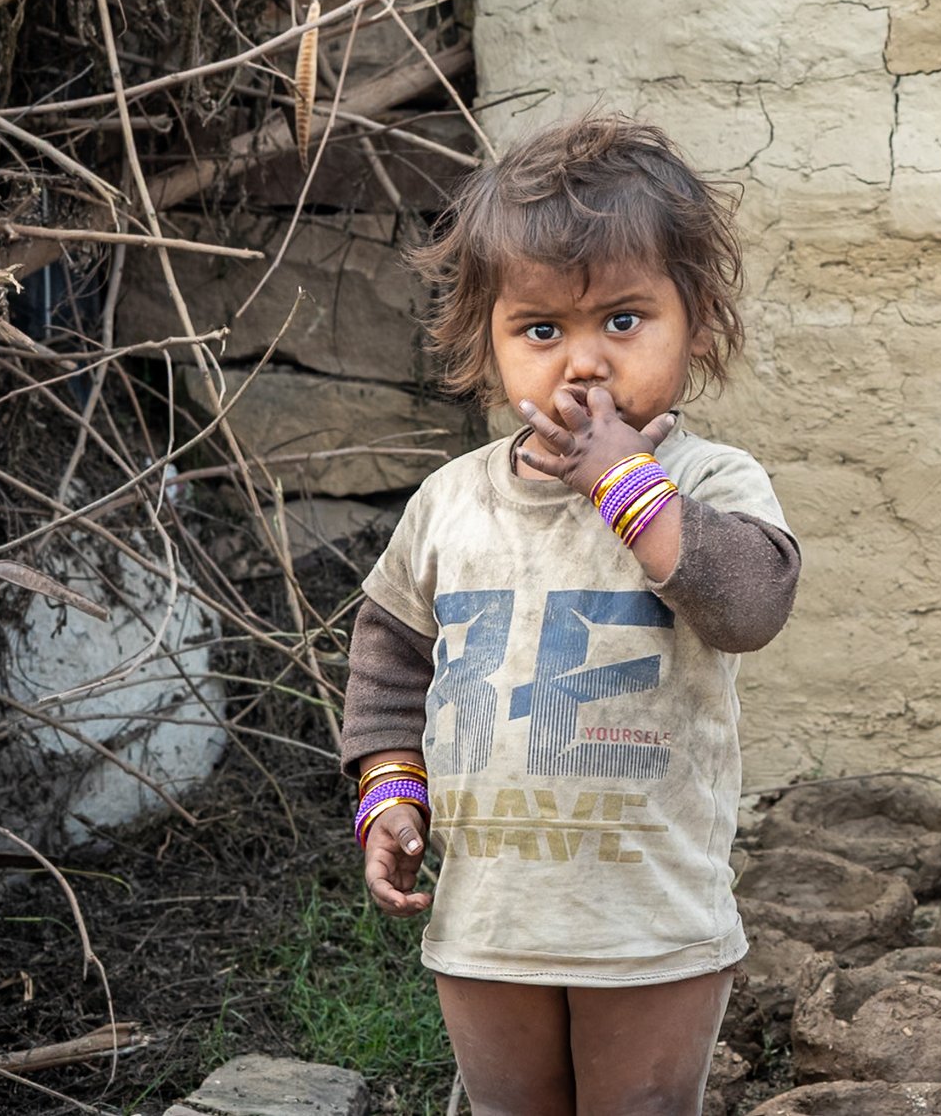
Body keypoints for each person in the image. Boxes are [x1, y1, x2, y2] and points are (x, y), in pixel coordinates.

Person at [339, 114, 801, 1116]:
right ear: (489, 341)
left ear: (697, 325)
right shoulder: (452, 502)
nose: (582, 364)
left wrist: (625, 485)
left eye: (623, 321)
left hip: (650, 923)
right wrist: (391, 787)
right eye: (541, 330)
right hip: (489, 919)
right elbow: (390, 659)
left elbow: (751, 605)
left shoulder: (709, 482)